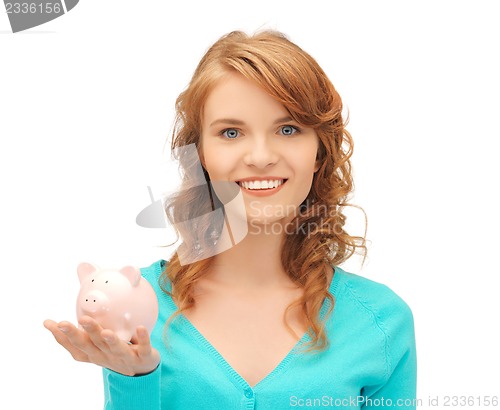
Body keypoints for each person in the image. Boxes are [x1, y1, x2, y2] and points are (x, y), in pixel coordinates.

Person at [44, 30, 417, 409]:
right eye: (231, 132)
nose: (259, 156)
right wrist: (134, 380)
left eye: (288, 129)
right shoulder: (136, 307)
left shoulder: (383, 322)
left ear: (320, 151)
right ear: (200, 153)